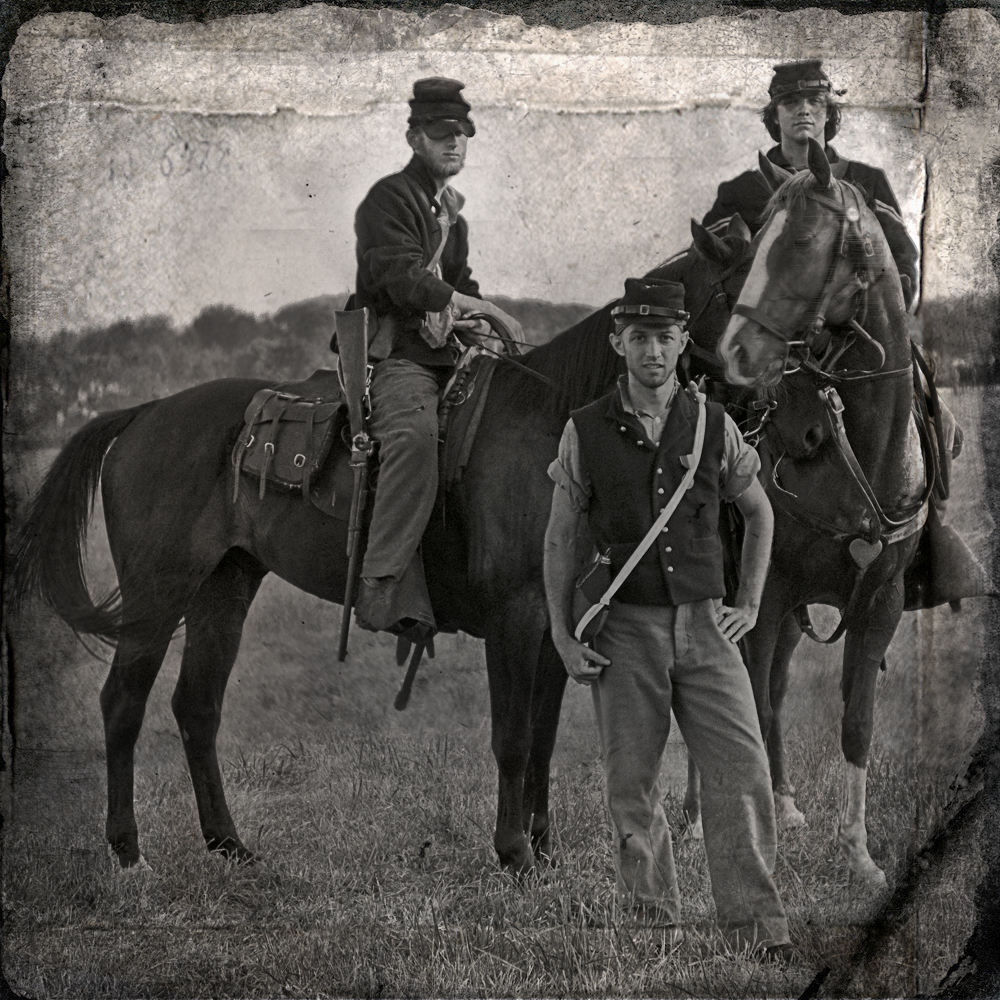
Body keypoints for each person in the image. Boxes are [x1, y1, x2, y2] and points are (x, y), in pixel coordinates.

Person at [543, 277, 792, 959]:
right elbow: (562, 536)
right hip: (625, 630)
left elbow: (759, 511)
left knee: (742, 771)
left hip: (709, 629)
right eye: (640, 337)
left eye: (665, 337)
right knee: (634, 788)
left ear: (685, 342)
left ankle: (758, 931)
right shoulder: (584, 428)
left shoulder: (716, 423)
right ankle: (653, 933)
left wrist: (747, 603)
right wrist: (564, 635)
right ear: (619, 342)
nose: (653, 350)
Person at [351, 77, 523, 637]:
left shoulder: (453, 213)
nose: (455, 144)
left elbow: (459, 281)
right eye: (441, 133)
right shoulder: (389, 199)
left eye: (463, 134)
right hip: (397, 355)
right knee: (414, 439)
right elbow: (400, 276)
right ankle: (382, 583)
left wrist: (475, 317)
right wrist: (478, 304)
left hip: (447, 356)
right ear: (414, 136)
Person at [702, 60, 919, 310]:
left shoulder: (867, 180)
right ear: (774, 114)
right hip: (767, 330)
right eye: (790, 101)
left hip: (848, 332)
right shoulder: (743, 189)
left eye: (815, 101)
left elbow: (900, 260)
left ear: (828, 113)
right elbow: (711, 261)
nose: (803, 109)